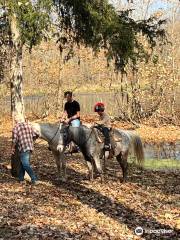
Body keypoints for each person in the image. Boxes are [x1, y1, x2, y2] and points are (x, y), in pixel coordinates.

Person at [11, 114, 39, 184]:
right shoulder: (29, 125)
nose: (15, 121)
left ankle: (34, 179)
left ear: (17, 120)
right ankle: (21, 179)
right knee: (22, 163)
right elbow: (37, 134)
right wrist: (32, 140)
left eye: (15, 120)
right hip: (30, 147)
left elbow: (14, 140)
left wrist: (12, 148)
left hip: (23, 147)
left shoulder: (16, 127)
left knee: (25, 164)